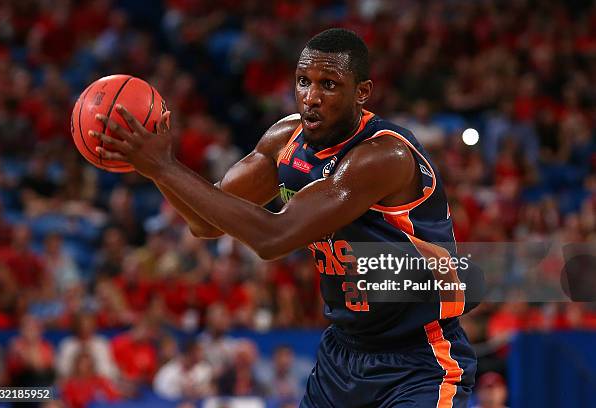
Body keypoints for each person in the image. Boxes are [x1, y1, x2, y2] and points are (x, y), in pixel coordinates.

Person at [90, 28, 479, 407]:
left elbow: (273, 237)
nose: (311, 97)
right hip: (343, 352)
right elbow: (205, 222)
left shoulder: (383, 157)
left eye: (329, 84)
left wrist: (164, 166)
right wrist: (154, 168)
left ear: (362, 92)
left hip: (418, 358)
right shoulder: (285, 140)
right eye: (303, 81)